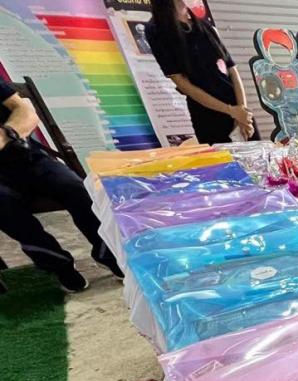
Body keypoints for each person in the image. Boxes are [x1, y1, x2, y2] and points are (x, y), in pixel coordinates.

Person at [0, 79, 122, 292]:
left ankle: (108, 253)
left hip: (26, 156)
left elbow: (25, 110)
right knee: (6, 212)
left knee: (75, 188)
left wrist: (6, 135)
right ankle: (59, 265)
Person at [145, 0, 258, 145]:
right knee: (222, 158)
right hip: (208, 116)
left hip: (240, 113)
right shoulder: (157, 29)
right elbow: (181, 82)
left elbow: (232, 69)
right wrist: (231, 111)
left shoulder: (204, 25)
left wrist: (241, 111)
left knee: (259, 156)